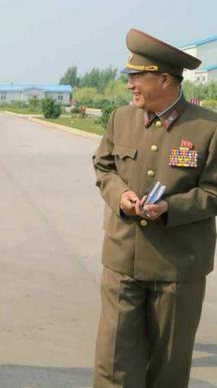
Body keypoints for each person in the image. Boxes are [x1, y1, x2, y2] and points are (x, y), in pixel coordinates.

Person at [93, 28, 215, 387]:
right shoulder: (121, 119)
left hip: (177, 267)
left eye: (137, 76)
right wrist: (120, 196)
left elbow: (214, 190)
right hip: (122, 260)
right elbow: (104, 167)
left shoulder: (208, 128)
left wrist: (171, 208)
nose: (130, 84)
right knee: (113, 365)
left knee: (168, 370)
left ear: (164, 79)